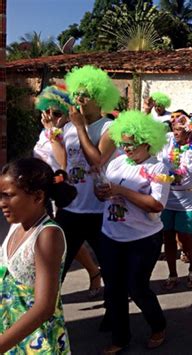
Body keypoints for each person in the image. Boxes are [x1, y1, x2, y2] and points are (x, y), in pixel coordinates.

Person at [95, 111, 171, 353]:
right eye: (123, 143)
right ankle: (120, 337)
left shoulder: (158, 167)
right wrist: (102, 192)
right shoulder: (116, 162)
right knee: (114, 289)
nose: (126, 149)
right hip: (111, 235)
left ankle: (158, 325)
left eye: (132, 144)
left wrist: (122, 191)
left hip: (143, 238)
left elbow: (157, 205)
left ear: (147, 142)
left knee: (137, 287)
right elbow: (105, 192)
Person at [0, 158, 77, 353]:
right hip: (10, 335)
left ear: (38, 197)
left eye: (9, 196)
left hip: (36, 343)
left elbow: (44, 308)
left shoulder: (47, 235)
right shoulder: (16, 224)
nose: (2, 203)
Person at [34, 84, 103, 298]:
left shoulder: (72, 130)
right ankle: (48, 312)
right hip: (64, 204)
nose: (50, 116)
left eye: (56, 113)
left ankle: (112, 310)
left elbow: (63, 164)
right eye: (46, 112)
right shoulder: (49, 133)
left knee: (109, 264)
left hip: (94, 207)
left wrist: (55, 133)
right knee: (58, 264)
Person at [57, 65, 120, 280]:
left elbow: (97, 161)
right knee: (57, 269)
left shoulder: (109, 128)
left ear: (100, 98)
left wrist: (81, 128)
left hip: (98, 211)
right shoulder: (67, 128)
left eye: (85, 94)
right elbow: (65, 164)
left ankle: (114, 312)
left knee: (111, 270)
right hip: (70, 209)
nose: (79, 98)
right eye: (76, 93)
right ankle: (49, 312)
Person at [159, 111, 192, 289]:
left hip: (190, 197)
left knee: (184, 236)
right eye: (174, 127)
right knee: (167, 236)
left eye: (180, 127)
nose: (176, 130)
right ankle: (172, 273)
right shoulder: (167, 141)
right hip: (168, 196)